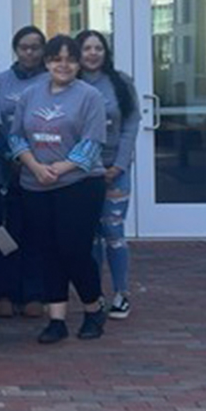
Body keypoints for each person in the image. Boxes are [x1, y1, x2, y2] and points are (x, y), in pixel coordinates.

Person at [9, 34, 109, 344]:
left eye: (70, 59)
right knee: (48, 251)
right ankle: (57, 320)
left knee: (74, 249)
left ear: (78, 63)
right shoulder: (30, 94)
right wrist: (35, 167)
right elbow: (15, 137)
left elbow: (92, 143)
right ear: (47, 61)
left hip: (79, 184)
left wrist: (60, 168)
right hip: (35, 184)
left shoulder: (89, 96)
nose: (62, 65)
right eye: (56, 59)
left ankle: (94, 307)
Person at [77, 29, 140, 320]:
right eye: (87, 48)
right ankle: (95, 295)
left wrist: (120, 164)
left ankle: (121, 292)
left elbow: (130, 125)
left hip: (116, 169)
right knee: (89, 235)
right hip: (82, 172)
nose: (92, 53)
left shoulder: (121, 82)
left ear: (106, 52)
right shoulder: (70, 84)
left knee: (113, 230)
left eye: (98, 48)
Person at [0, 25, 48, 318]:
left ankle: (34, 293)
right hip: (4, 170)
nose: (30, 52)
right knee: (5, 232)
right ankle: (4, 292)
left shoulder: (52, 81)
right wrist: (11, 155)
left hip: (40, 170)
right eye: (24, 47)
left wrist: (32, 160)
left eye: (35, 47)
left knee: (35, 232)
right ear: (16, 49)